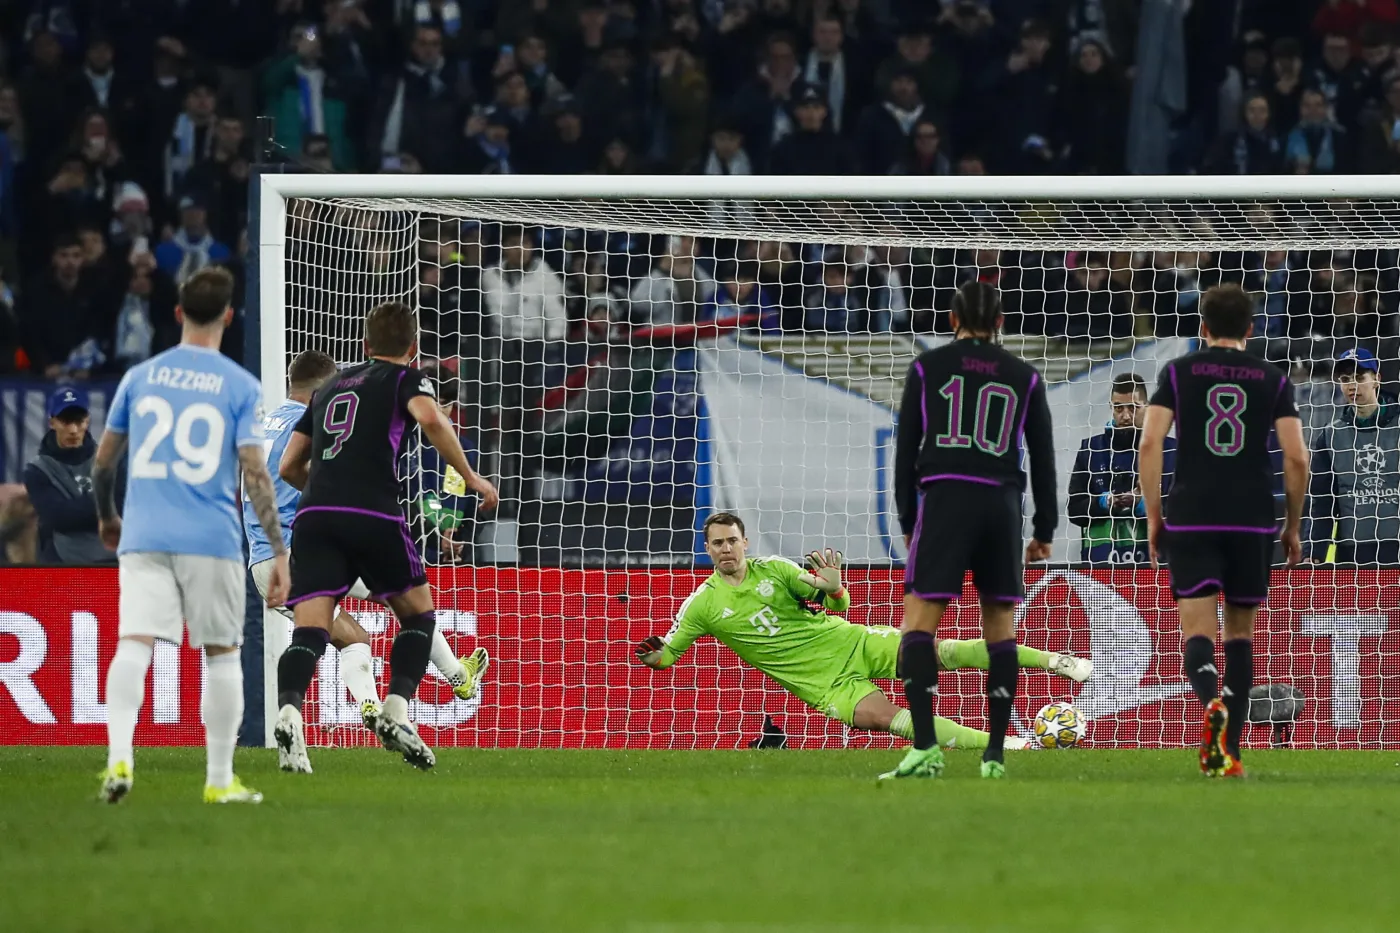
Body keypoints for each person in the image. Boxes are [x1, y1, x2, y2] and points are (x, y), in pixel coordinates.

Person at [634, 513, 1090, 751]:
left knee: (943, 652)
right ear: (708, 547)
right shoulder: (702, 605)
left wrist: (834, 589)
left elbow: (834, 600)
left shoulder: (773, 569)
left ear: (745, 542)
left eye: (733, 540)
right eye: (718, 542)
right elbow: (668, 654)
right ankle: (1011, 743)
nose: (727, 548)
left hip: (850, 641)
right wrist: (654, 655)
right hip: (824, 683)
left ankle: (1056, 662)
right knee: (888, 718)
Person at [273, 301, 499, 771]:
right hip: (373, 512)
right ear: (413, 349)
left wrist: (323, 494)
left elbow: (288, 465)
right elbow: (432, 420)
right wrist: (471, 476)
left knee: (311, 629)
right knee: (418, 617)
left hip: (315, 517)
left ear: (365, 345)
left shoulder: (328, 386)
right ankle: (397, 710)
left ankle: (290, 712)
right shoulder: (406, 379)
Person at [92, 266, 286, 805]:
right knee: (222, 653)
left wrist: (109, 516)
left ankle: (118, 760)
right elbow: (255, 472)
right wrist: (278, 548)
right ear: (228, 315)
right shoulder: (240, 386)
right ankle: (219, 780)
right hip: (212, 538)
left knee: (134, 643)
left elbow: (104, 464)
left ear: (177, 313)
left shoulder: (140, 377)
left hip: (145, 533)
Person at [1139, 284, 1309, 779]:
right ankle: (1228, 748)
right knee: (1240, 635)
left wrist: (1155, 515)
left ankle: (1211, 701)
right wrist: (1292, 523)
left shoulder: (1178, 372)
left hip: (1191, 512)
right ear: (1251, 330)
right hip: (1250, 516)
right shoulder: (1271, 377)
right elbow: (1297, 457)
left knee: (1196, 632)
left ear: (1203, 327)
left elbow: (1150, 444)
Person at [889, 281, 1058, 781]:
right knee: (1000, 630)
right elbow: (1044, 459)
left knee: (918, 626)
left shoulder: (928, 367)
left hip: (946, 500)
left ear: (951, 318)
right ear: (1001, 323)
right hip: (1001, 506)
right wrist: (1044, 526)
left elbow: (906, 451)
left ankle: (925, 748)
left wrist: (907, 518)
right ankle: (995, 756)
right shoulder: (1024, 376)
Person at [1306, 348, 1400, 566]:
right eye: (1346, 379)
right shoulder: (1330, 435)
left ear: (1377, 379)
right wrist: (1314, 551)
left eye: (1359, 377)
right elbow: (1322, 502)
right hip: (1352, 552)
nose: (1352, 385)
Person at [1068, 373, 1176, 563]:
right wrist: (1105, 502)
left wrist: (1143, 503)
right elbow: (1074, 510)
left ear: (1147, 407)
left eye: (1133, 407)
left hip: (1157, 568)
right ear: (1111, 407)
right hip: (1100, 568)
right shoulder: (1091, 449)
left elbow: (1185, 513)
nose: (1125, 415)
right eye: (1119, 408)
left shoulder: (1171, 451)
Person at [23, 386, 122, 564]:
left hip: (114, 559)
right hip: (66, 563)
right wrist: (105, 505)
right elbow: (58, 518)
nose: (73, 430)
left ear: (87, 421)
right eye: (65, 421)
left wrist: (75, 508)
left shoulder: (110, 459)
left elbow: (124, 503)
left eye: (79, 421)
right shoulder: (37, 470)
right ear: (52, 423)